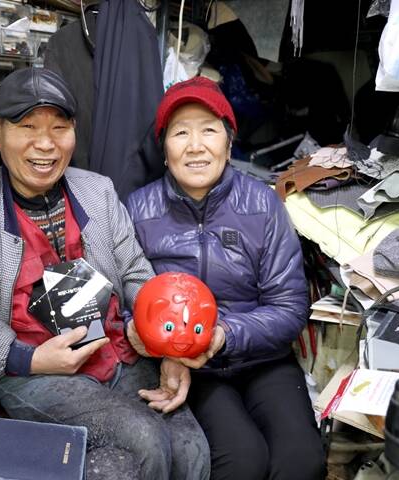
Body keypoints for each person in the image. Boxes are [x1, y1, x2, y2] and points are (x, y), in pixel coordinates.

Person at [0, 67, 210, 480]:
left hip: (116, 352)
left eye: (59, 127)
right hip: (32, 371)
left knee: (191, 450)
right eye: (28, 127)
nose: (45, 144)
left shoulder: (98, 192)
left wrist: (161, 340)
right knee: (144, 441)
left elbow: (136, 272)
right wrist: (29, 357)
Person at [125, 77, 327, 480]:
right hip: (189, 367)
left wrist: (222, 335)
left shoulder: (262, 203)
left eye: (209, 130)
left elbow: (289, 307)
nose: (195, 146)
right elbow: (128, 297)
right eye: (181, 132)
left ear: (229, 144)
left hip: (262, 359)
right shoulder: (137, 209)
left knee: (301, 462)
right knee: (242, 460)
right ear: (165, 149)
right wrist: (159, 342)